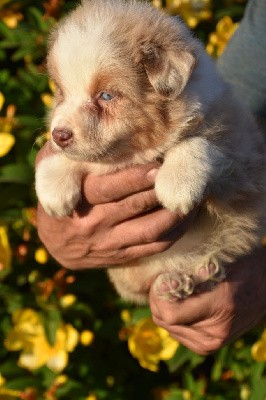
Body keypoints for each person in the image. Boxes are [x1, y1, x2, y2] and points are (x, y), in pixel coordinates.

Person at [36, 0, 266, 355]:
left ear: (164, 76)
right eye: (63, 91)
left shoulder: (203, 111)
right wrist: (61, 172)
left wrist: (199, 155)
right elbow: (250, 86)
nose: (61, 125)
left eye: (106, 96)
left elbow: (247, 167)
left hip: (215, 257)